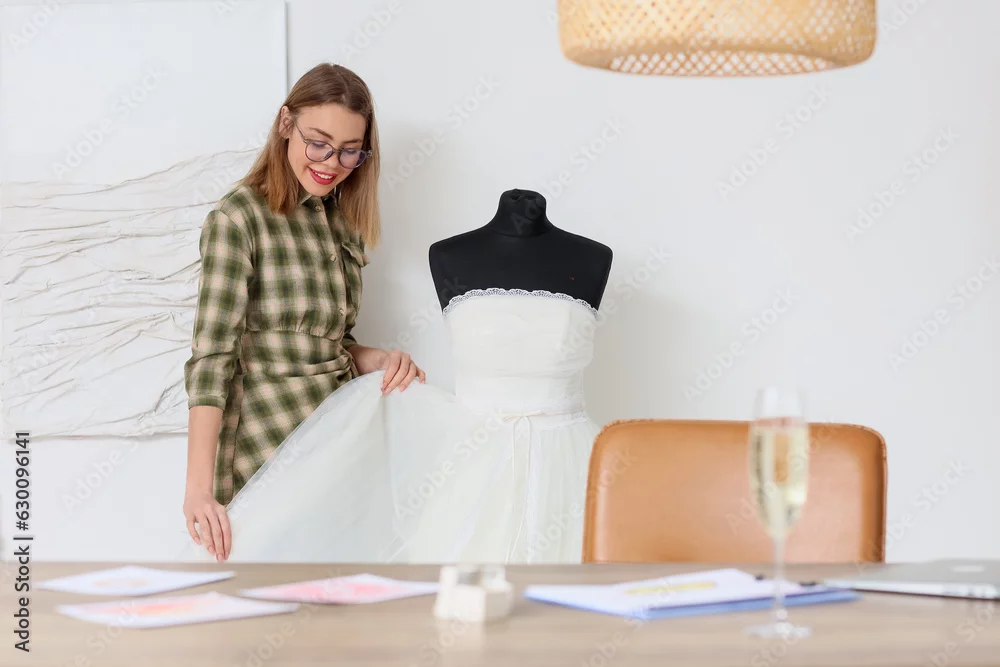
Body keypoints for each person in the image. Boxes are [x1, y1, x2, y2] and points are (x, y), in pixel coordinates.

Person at [182, 63, 424, 563]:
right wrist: (198, 489)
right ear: (285, 123)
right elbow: (211, 359)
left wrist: (376, 358)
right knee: (266, 597)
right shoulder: (237, 218)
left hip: (341, 446)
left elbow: (330, 341)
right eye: (319, 143)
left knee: (346, 597)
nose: (332, 163)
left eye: (350, 150)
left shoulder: (341, 222)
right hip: (265, 451)